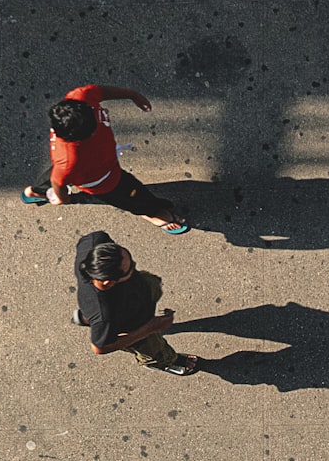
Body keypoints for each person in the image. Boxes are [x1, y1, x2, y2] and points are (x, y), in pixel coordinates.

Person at [23, 84, 189, 234]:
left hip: (77, 169)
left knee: (64, 172)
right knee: (132, 195)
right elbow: (58, 182)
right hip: (103, 180)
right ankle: (153, 212)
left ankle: (36, 191)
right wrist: (62, 198)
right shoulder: (68, 161)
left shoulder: (80, 96)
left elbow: (102, 92)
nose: (96, 130)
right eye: (91, 132)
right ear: (73, 139)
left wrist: (132, 94)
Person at [73, 230, 200, 375]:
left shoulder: (95, 240)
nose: (135, 264)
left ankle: (87, 318)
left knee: (154, 285)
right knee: (154, 349)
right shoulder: (106, 312)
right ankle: (165, 362)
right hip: (132, 325)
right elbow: (100, 348)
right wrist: (149, 329)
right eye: (130, 268)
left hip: (139, 292)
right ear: (109, 283)